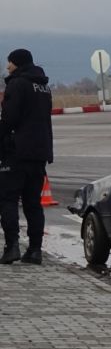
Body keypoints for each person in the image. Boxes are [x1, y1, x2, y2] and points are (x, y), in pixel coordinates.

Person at [0, 49, 53, 265]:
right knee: (33, 203)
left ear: (18, 63)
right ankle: (35, 250)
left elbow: (9, 118)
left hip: (17, 152)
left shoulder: (17, 84)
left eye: (10, 62)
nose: (7, 67)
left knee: (8, 199)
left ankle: (12, 246)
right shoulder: (43, 86)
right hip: (39, 153)